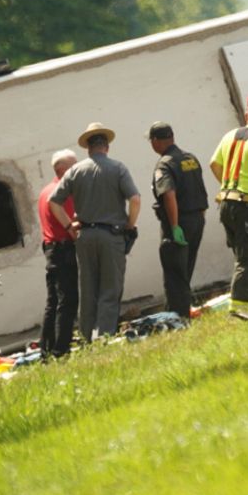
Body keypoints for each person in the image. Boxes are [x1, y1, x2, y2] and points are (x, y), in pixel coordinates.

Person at [49, 123, 141, 341]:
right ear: (106, 146)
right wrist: (130, 223)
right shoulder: (118, 168)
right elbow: (135, 199)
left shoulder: (75, 171)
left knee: (88, 289)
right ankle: (105, 337)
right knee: (110, 288)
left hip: (85, 236)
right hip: (112, 235)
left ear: (88, 148)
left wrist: (69, 226)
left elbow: (54, 202)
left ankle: (87, 338)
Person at [209, 97, 248, 310]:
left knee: (242, 254)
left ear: (247, 116)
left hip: (227, 203)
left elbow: (214, 164)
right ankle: (241, 307)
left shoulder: (230, 136)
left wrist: (229, 187)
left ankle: (247, 301)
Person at [148, 121, 209, 318]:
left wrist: (174, 226)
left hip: (178, 223)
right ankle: (179, 312)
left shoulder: (165, 164)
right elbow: (200, 190)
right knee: (186, 269)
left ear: (156, 141)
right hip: (197, 220)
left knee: (175, 273)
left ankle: (177, 318)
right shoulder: (190, 158)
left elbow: (169, 195)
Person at [37, 150, 80, 358]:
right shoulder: (62, 193)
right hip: (63, 248)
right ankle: (61, 349)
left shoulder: (46, 190)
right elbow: (71, 222)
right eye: (74, 166)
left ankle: (46, 348)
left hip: (51, 248)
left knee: (53, 300)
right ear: (63, 170)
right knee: (68, 299)